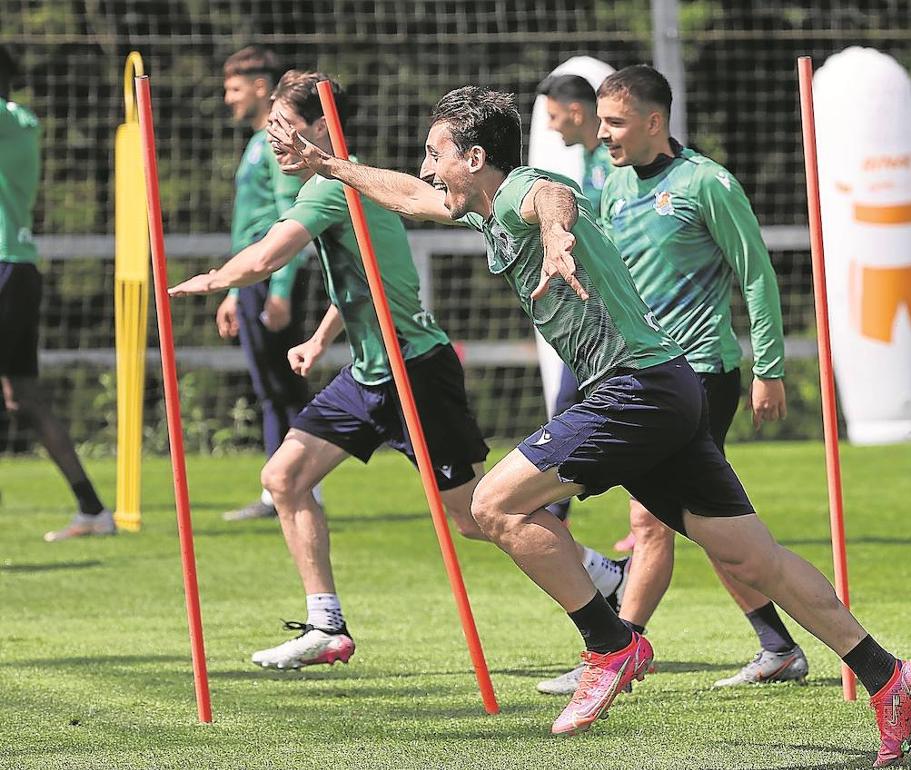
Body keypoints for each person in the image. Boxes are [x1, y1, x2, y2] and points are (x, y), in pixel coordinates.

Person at [271, 85, 911, 767]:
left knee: (494, 504)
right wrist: (329, 165)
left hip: (635, 389)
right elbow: (410, 196)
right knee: (753, 559)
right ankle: (889, 676)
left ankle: (610, 645)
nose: (427, 168)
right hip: (664, 385)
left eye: (435, 154)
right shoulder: (481, 205)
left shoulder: (519, 191)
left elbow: (551, 197)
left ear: (475, 157)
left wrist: (558, 236)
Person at [171, 72, 625, 670]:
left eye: (283, 126)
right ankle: (326, 625)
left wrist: (214, 280)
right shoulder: (341, 184)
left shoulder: (330, 188)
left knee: (475, 516)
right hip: (369, 372)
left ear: (318, 128)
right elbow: (370, 278)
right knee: (284, 478)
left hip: (415, 369)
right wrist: (321, 338)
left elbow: (267, 257)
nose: (273, 137)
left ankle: (603, 575)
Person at [538, 64, 805, 696]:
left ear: (654, 121)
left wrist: (769, 369)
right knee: (704, 520)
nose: (604, 133)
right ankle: (777, 645)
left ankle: (616, 653)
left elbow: (756, 275)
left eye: (616, 122)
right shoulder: (611, 186)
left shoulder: (706, 183)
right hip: (642, 376)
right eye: (601, 121)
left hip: (702, 372)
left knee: (652, 522)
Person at [0, 47, 113, 543]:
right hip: (19, 267)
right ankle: (92, 508)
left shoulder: (8, 120)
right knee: (23, 396)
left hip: (4, 264)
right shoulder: (20, 122)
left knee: (24, 395)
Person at [216, 45, 314, 521]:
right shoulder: (257, 143)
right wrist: (235, 292)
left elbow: (288, 216)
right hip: (254, 276)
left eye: (234, 88)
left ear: (260, 87)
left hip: (273, 272)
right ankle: (282, 489)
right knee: (271, 387)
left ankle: (297, 487)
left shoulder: (275, 144)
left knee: (283, 385)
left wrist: (279, 289)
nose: (228, 98)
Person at [533, 73, 614, 526]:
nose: (549, 126)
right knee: (569, 402)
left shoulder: (614, 162)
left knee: (572, 403)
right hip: (594, 310)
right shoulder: (590, 159)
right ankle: (554, 508)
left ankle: (553, 508)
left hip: (616, 315)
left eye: (553, 115)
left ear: (577, 112)